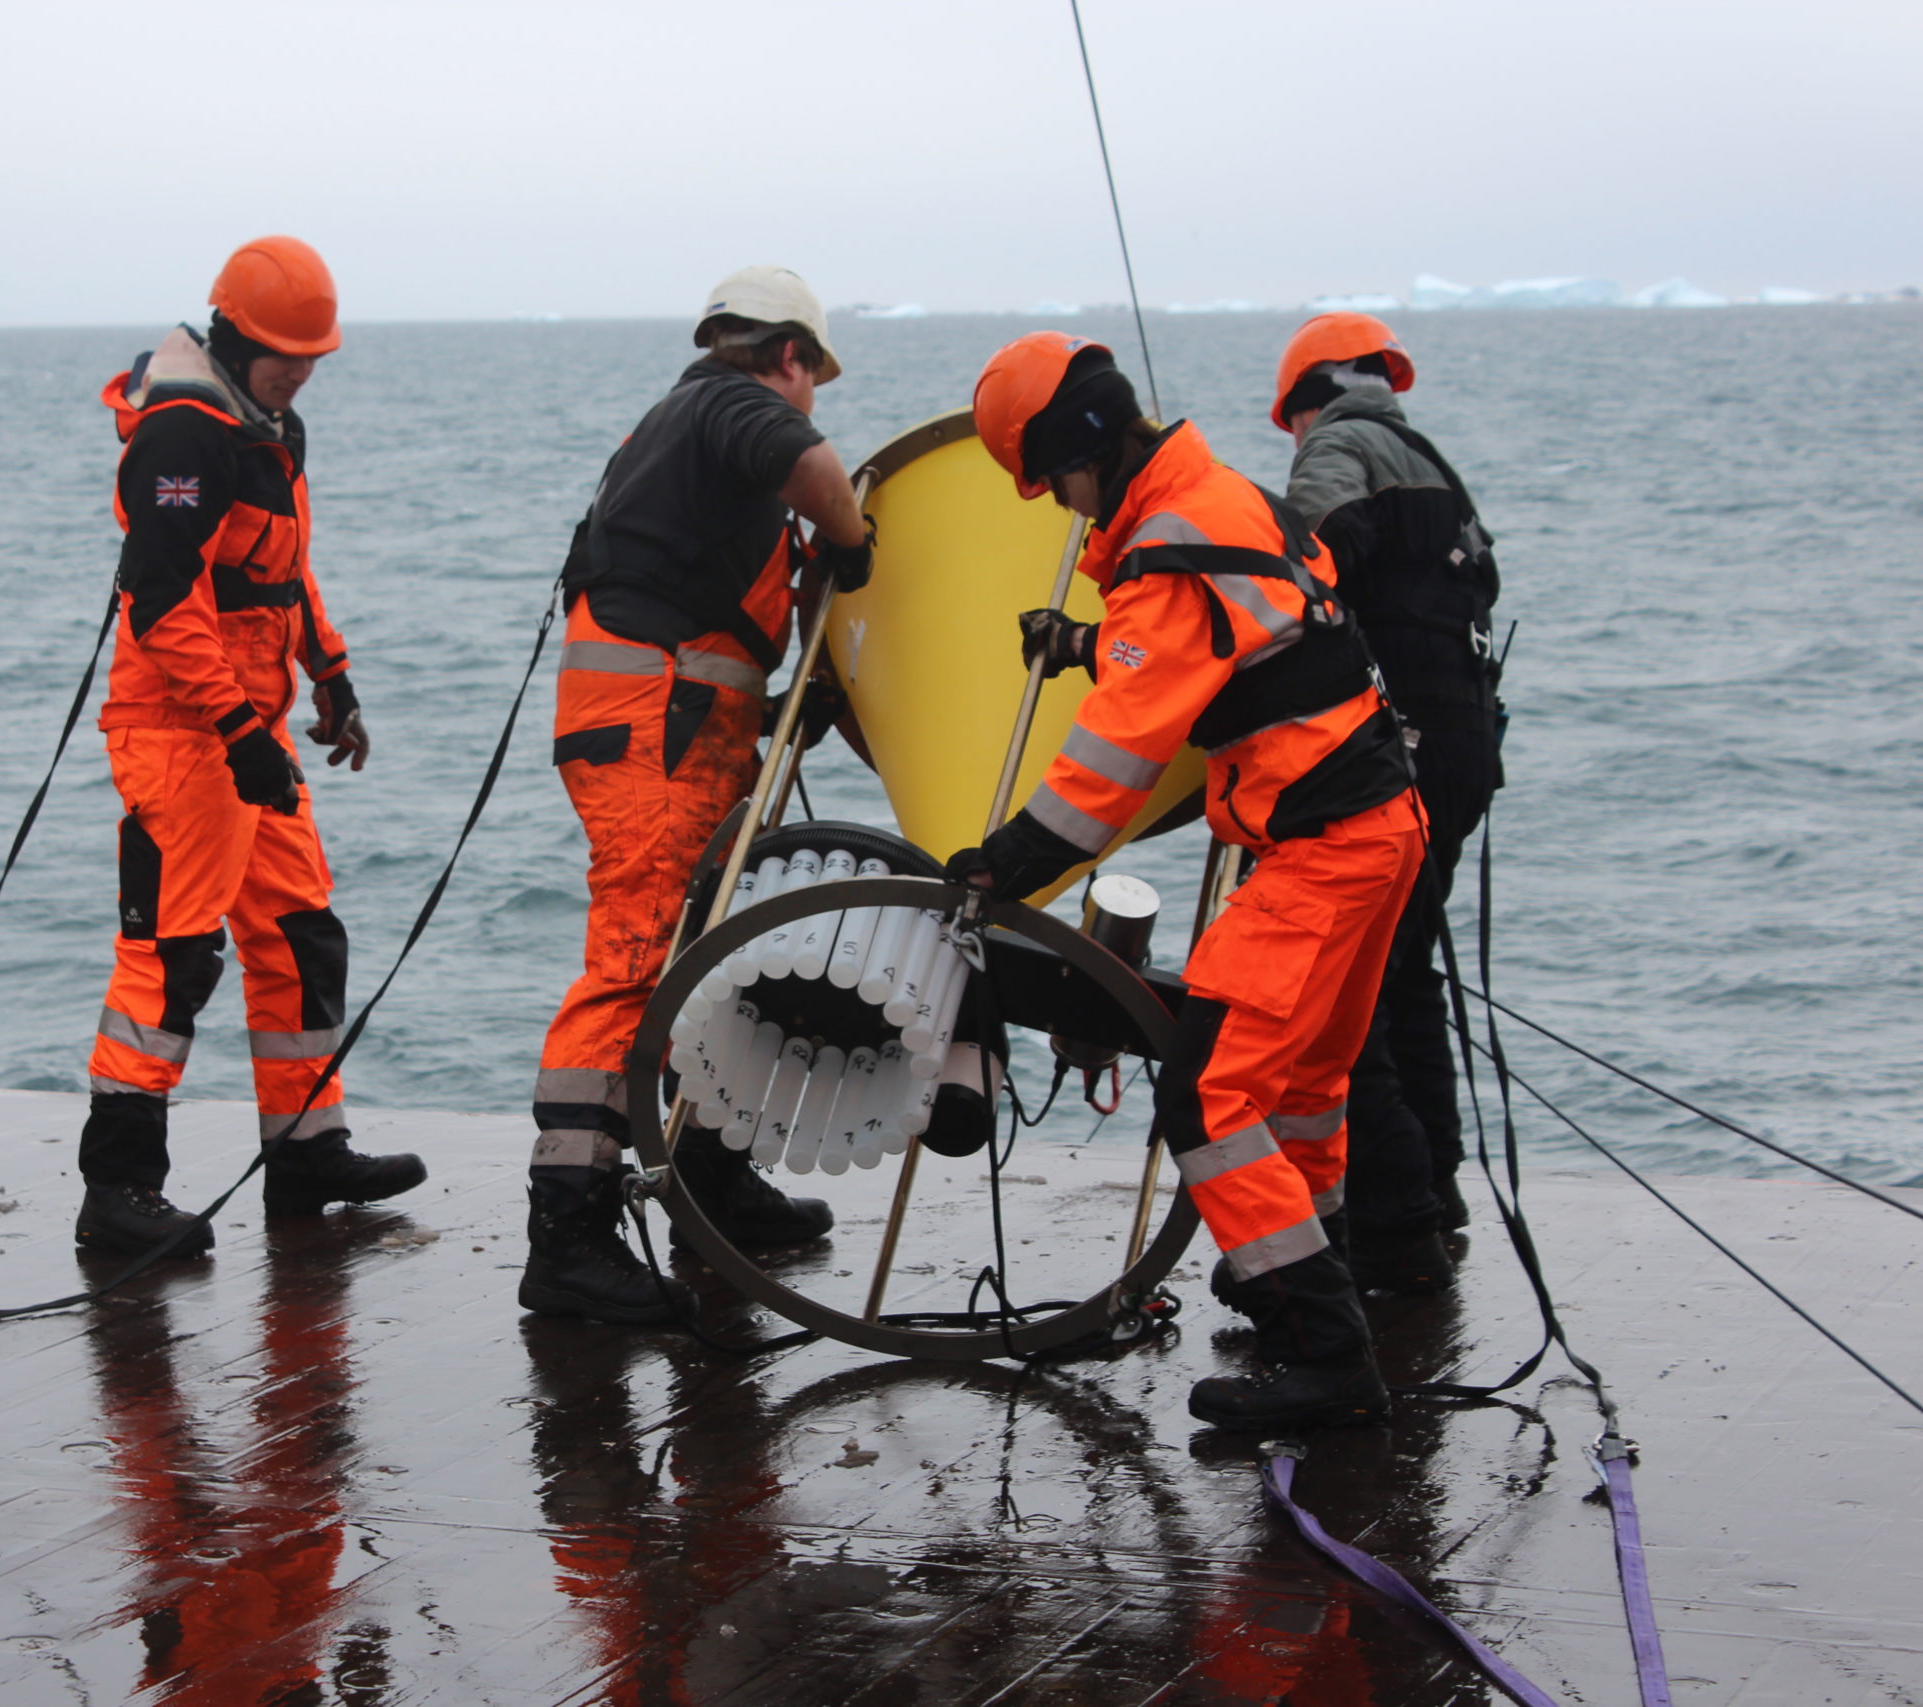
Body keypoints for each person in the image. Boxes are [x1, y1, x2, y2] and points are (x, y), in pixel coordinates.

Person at [947, 332, 1424, 1429]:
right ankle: (1301, 1274)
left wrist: (1002, 866)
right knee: (1301, 1087)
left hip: (1322, 848)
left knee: (1209, 1093)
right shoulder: (1221, 498)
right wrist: (1086, 640)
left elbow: (1104, 780)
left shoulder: (1165, 551)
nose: (1058, 505)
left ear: (1080, 449)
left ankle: (1324, 1356)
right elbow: (1234, 629)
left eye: (1051, 481)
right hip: (1381, 823)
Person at [522, 265, 876, 1324]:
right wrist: (853, 550)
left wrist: (776, 714)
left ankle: (711, 1186)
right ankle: (569, 1239)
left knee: (715, 957)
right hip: (651, 735)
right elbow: (812, 465)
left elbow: (709, 619)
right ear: (787, 357)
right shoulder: (730, 402)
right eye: (811, 375)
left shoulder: (685, 448)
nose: (809, 397)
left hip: (681, 733)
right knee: (631, 964)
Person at [74, 235, 425, 1258]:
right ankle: (120, 1188)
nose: (303, 369)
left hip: (249, 730)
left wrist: (332, 674)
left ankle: (307, 1149)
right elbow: (160, 598)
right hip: (181, 734)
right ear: (232, 336)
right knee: (171, 956)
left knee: (300, 934)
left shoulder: (270, 428)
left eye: (314, 355)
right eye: (285, 353)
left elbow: (281, 576)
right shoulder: (184, 436)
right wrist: (234, 728)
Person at [1273, 312, 1504, 1283]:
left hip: (1399, 755)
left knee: (1352, 990)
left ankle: (1393, 1216)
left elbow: (1305, 580)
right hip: (1461, 746)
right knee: (1405, 971)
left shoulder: (1337, 449)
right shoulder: (1429, 465)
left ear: (1302, 403)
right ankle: (1435, 1184)